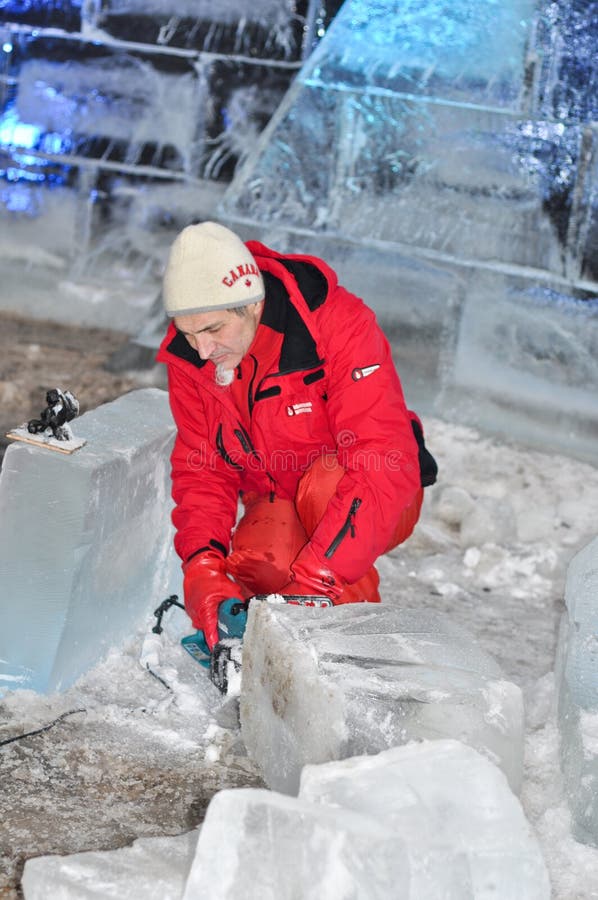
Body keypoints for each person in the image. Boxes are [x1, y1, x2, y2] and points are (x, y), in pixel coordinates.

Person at [157, 221, 437, 653]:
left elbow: (382, 458)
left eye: (213, 330)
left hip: (377, 486)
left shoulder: (336, 323)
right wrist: (203, 567)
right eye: (188, 333)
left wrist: (314, 584)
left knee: (327, 494)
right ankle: (290, 651)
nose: (202, 350)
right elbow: (203, 469)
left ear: (252, 305)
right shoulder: (192, 359)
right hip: (279, 494)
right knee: (263, 567)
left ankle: (351, 655)